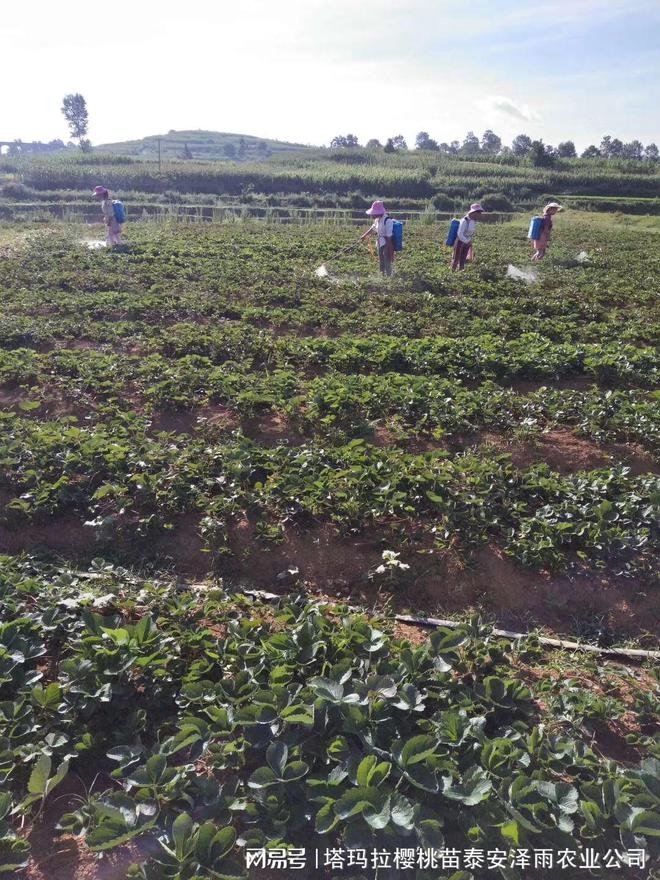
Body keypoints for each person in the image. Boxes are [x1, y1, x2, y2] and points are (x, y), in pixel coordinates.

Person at [361, 200, 394, 276]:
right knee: (381, 261)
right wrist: (364, 236)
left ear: (378, 212)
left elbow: (389, 236)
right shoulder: (377, 219)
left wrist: (387, 248)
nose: (372, 215)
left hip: (387, 243)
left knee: (387, 261)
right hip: (380, 242)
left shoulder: (388, 220)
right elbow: (372, 229)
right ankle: (382, 275)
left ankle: (389, 277)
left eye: (373, 213)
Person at [452, 203, 484, 271]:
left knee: (463, 259)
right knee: (456, 259)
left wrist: (469, 241)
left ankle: (461, 272)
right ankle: (452, 272)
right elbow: (460, 234)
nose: (480, 214)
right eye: (479, 212)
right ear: (473, 212)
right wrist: (466, 241)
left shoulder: (473, 221)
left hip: (467, 241)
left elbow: (470, 233)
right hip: (460, 241)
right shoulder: (464, 221)